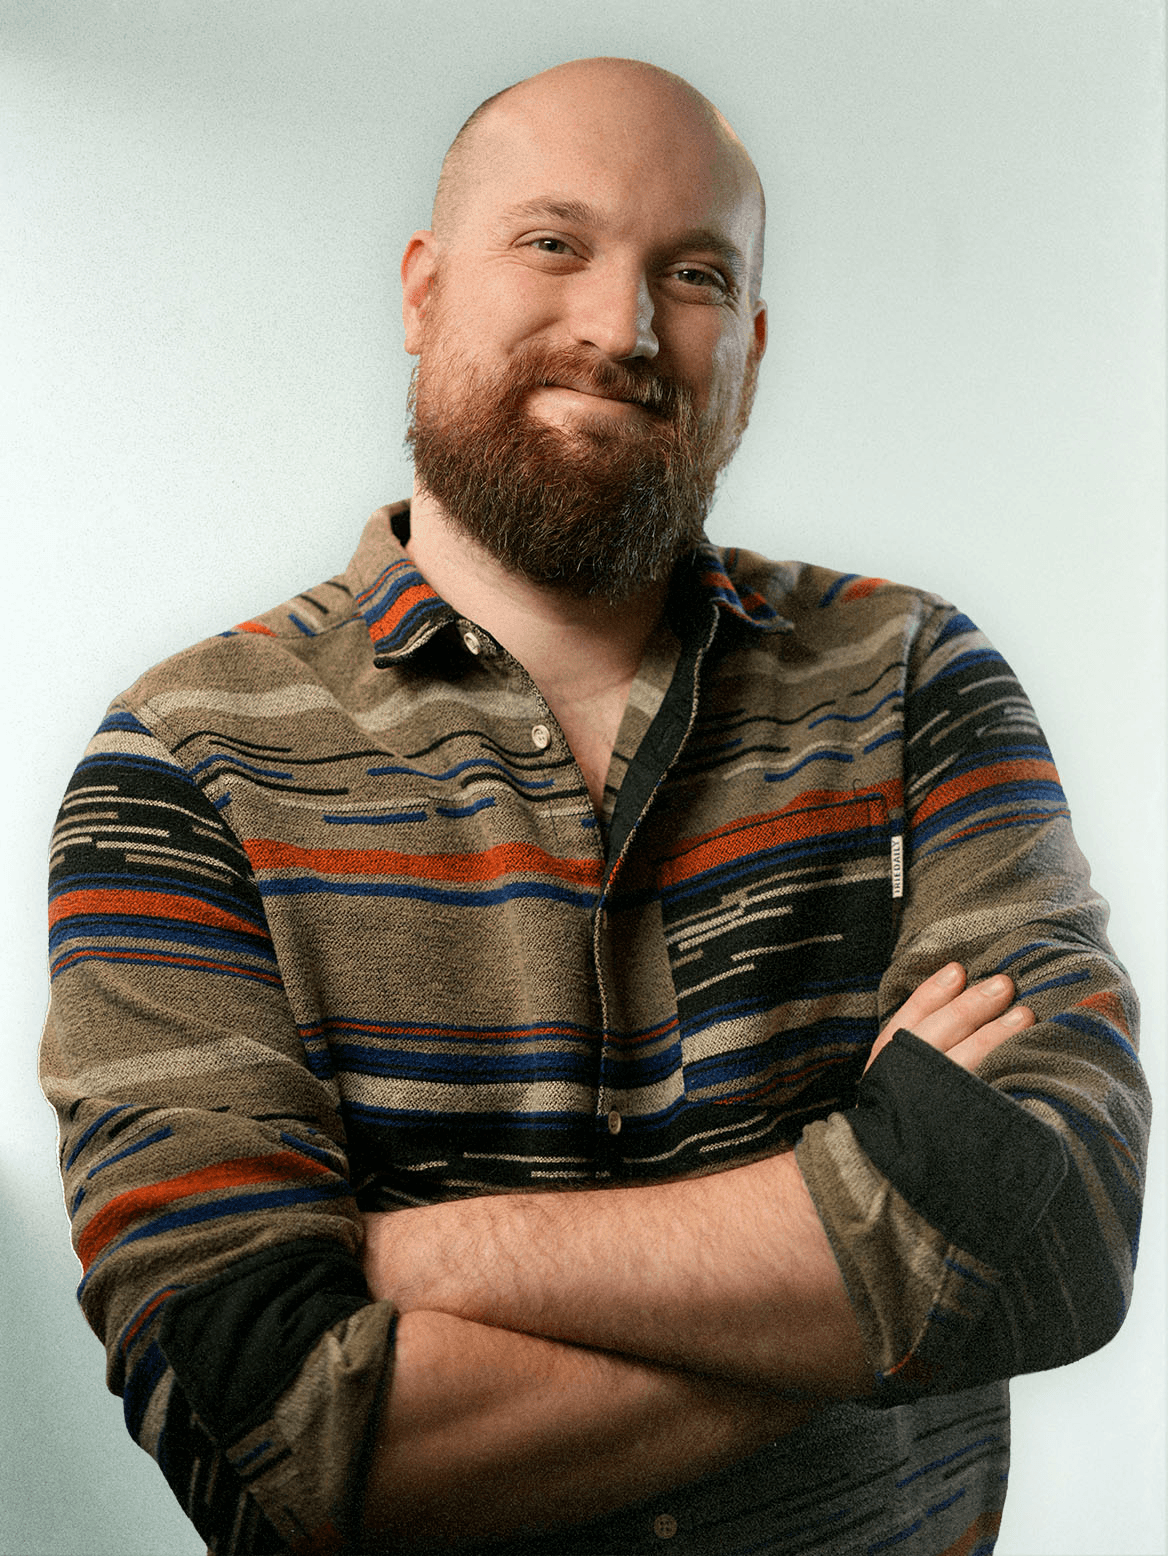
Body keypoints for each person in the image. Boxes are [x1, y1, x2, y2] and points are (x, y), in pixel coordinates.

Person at [40, 56, 1149, 1556]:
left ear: (749, 345)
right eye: (554, 243)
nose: (620, 328)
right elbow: (279, 1442)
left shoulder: (914, 681)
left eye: (691, 273)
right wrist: (900, 1268)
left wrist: (423, 1262)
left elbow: (1056, 1228)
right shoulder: (177, 767)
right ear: (424, 290)